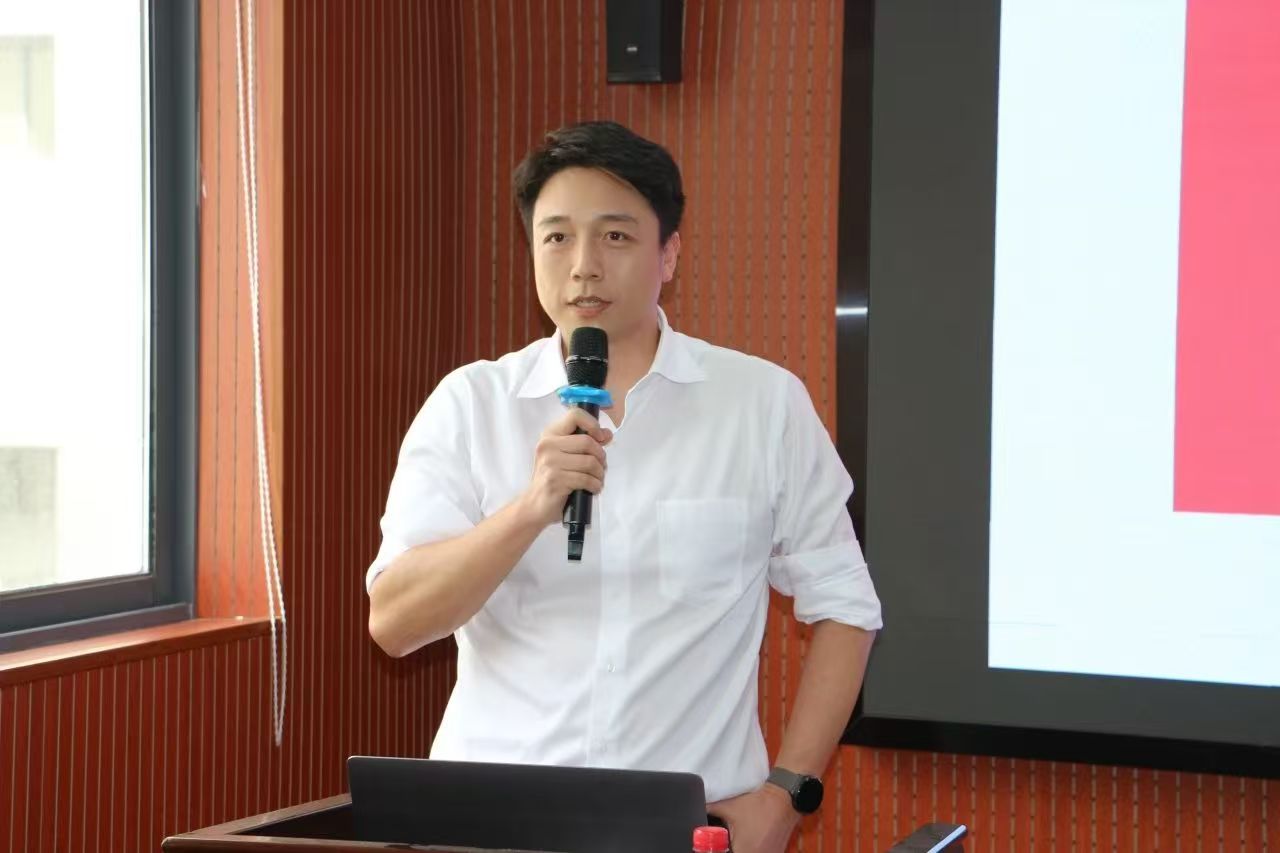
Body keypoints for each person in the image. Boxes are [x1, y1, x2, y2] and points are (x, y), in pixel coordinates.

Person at [366, 120, 882, 853]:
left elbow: (847, 606)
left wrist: (786, 795)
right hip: (485, 825)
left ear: (669, 253)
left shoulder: (761, 404)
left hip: (683, 827)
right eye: (556, 237)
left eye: (614, 236)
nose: (583, 267)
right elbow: (395, 623)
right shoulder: (471, 405)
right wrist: (529, 509)